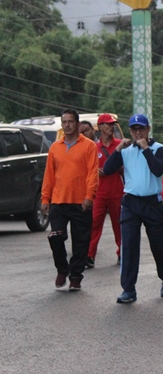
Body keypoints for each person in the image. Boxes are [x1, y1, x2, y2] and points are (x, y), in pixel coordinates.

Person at [103, 114, 163, 304]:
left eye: (140, 129)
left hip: (152, 203)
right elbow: (108, 169)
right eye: (134, 129)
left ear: (147, 129)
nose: (137, 132)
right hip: (131, 203)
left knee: (157, 246)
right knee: (129, 247)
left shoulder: (158, 149)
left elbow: (158, 170)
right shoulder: (125, 151)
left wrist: (145, 148)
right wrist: (118, 149)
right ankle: (128, 288)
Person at [42, 109, 99, 291]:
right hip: (58, 201)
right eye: (64, 121)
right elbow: (49, 176)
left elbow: (92, 174)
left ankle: (75, 276)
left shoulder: (89, 146)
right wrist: (45, 199)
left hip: (81, 202)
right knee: (56, 236)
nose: (67, 125)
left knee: (81, 241)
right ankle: (62, 268)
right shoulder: (55, 148)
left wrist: (89, 196)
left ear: (77, 124)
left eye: (70, 122)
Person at [86, 114, 124, 269]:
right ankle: (89, 255)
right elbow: (87, 169)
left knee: (119, 224)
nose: (111, 127)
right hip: (99, 193)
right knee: (94, 223)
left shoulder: (121, 145)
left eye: (113, 124)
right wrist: (96, 171)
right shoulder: (93, 147)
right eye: (108, 124)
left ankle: (122, 252)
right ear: (100, 127)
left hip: (117, 191)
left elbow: (126, 168)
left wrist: (115, 167)